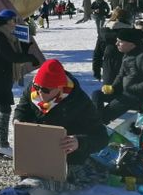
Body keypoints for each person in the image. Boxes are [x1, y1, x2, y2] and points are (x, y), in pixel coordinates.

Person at [13, 59, 108, 187]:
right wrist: (18, 120)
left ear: (60, 88)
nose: (39, 93)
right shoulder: (33, 89)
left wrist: (79, 142)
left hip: (68, 160)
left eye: (45, 90)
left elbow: (101, 137)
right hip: (36, 153)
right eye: (37, 87)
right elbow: (22, 109)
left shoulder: (80, 101)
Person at [0, 9, 39, 157]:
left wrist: (26, 43)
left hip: (1, 77)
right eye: (13, 21)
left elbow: (15, 52)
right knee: (5, 109)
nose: (15, 23)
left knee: (0, 108)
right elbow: (11, 56)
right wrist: (30, 57)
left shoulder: (6, 35)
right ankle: (3, 145)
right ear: (6, 21)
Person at [92, 28, 143, 124]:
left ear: (131, 43)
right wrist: (113, 87)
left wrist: (133, 88)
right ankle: (97, 122)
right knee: (97, 94)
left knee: (105, 115)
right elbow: (121, 75)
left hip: (140, 97)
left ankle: (98, 124)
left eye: (120, 42)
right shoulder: (127, 55)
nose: (116, 44)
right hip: (126, 93)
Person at [92, 8, 132, 82]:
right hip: (129, 70)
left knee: (109, 91)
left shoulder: (104, 32)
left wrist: (96, 70)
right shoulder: (131, 33)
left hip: (109, 69)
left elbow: (97, 53)